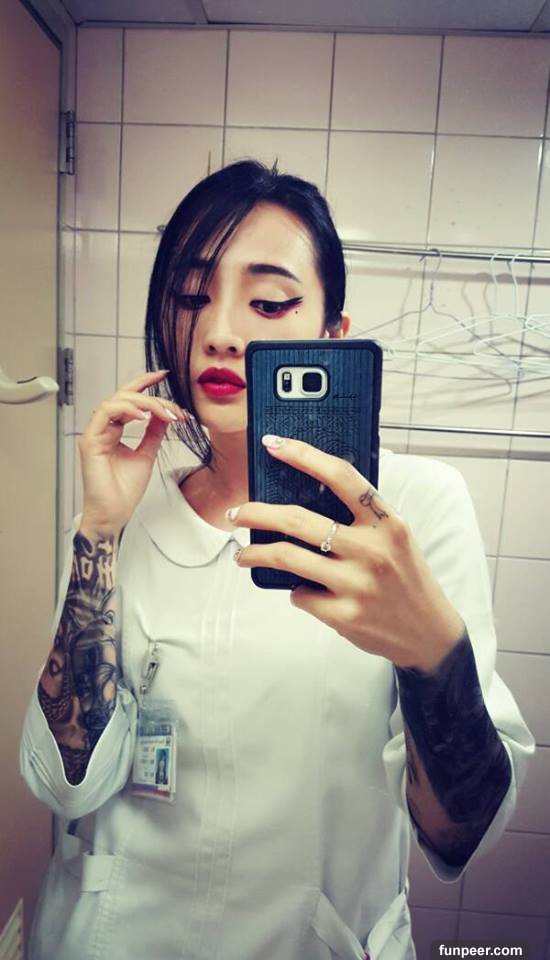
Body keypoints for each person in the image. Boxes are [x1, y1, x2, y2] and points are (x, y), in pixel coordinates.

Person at [20, 160, 534, 960]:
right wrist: (99, 530)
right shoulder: (129, 506)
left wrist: (431, 655)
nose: (220, 331)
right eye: (192, 296)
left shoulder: (413, 510)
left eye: (268, 302)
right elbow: (65, 785)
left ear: (332, 333)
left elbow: (457, 835)